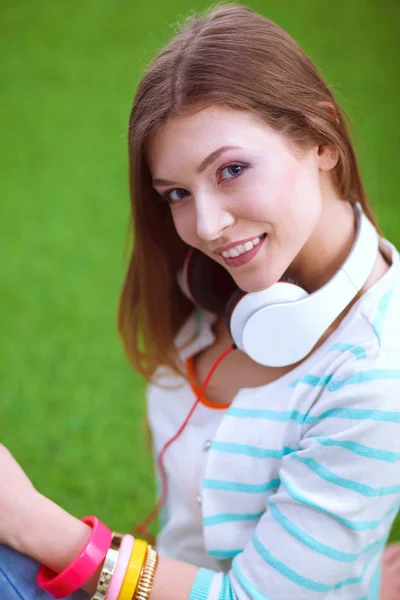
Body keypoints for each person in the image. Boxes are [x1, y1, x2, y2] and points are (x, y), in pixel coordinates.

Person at [1, 3, 400, 599]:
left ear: (322, 140)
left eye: (232, 169)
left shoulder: (374, 378)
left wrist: (45, 530)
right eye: (178, 192)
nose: (207, 225)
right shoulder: (220, 284)